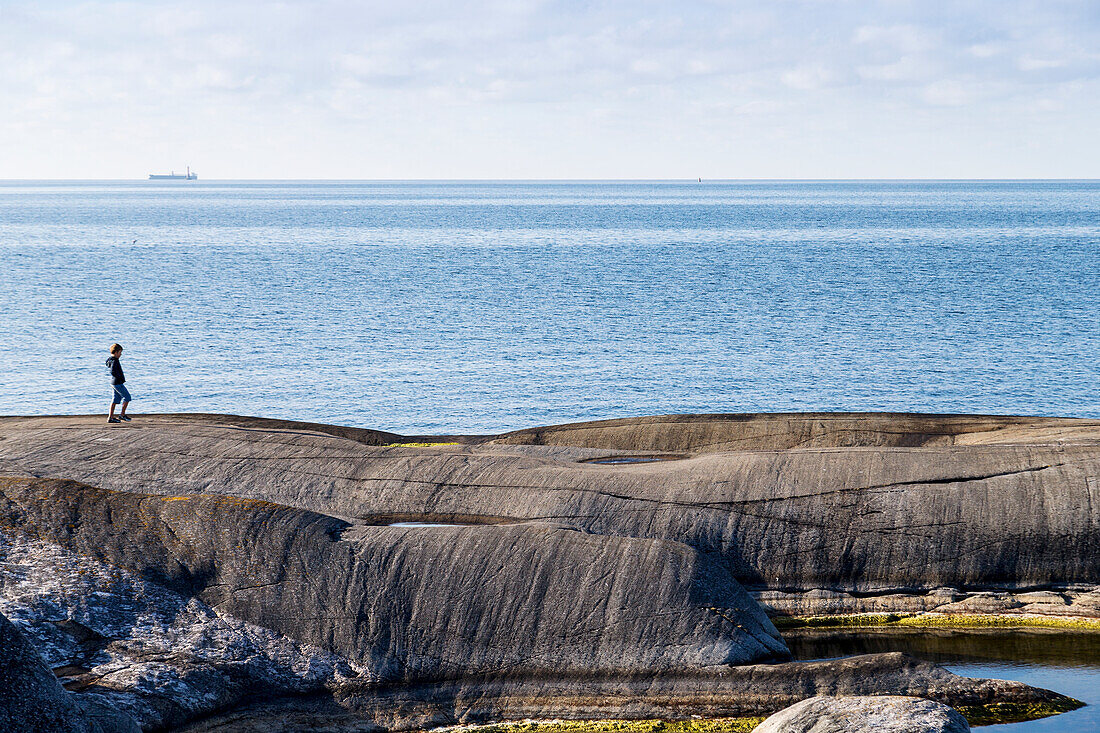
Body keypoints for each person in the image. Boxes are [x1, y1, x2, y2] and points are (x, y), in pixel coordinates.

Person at [106, 343, 132, 423]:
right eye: (120, 352)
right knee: (127, 397)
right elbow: (113, 371)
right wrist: (119, 377)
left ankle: (110, 417)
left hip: (114, 382)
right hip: (117, 383)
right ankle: (122, 415)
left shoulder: (110, 359)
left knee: (115, 399)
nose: (121, 354)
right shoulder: (115, 361)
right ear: (116, 352)